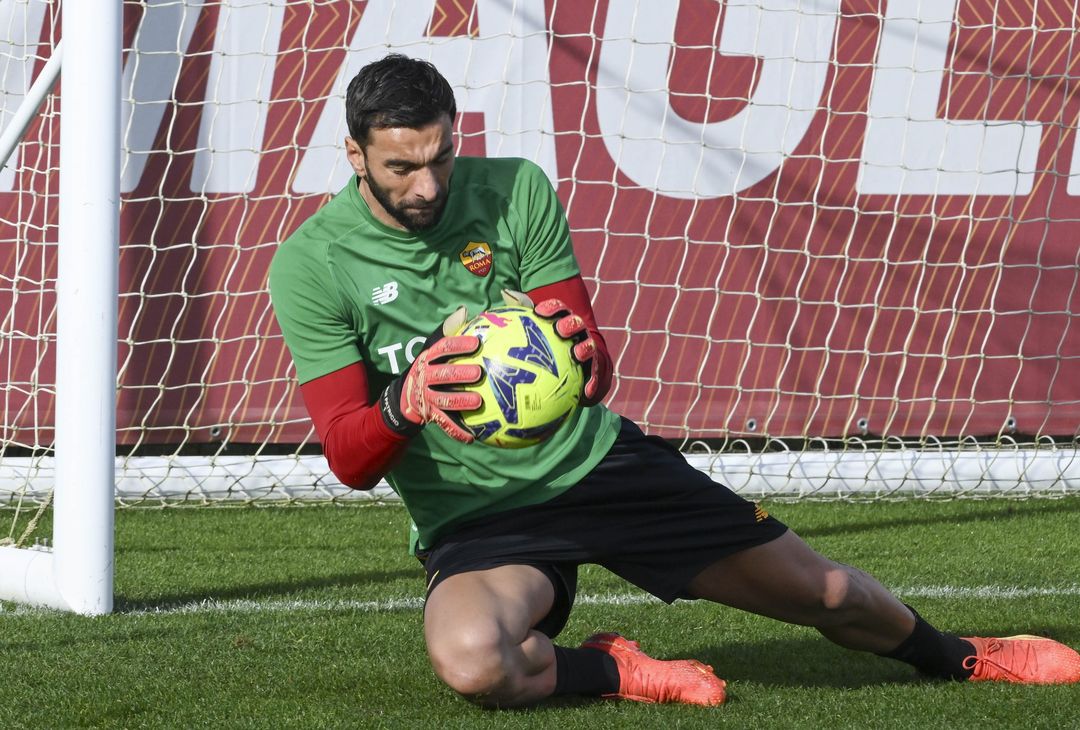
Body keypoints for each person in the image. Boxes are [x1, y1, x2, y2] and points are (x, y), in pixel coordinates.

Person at [269, 54, 1080, 708]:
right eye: (402, 168)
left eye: (441, 156)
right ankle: (614, 670)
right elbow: (349, 455)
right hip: (478, 521)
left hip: (601, 469)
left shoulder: (515, 189)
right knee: (477, 662)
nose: (429, 186)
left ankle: (960, 656)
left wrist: (577, 362)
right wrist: (404, 403)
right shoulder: (313, 265)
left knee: (832, 597)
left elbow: (595, 373)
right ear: (356, 156)